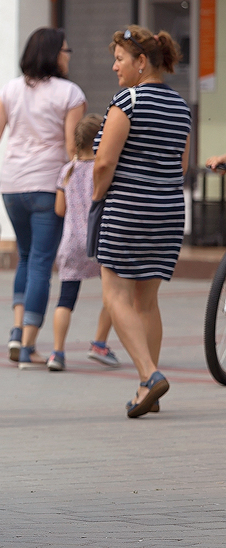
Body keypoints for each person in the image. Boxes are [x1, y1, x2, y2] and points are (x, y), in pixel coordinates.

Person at [92, 25, 190, 418]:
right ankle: (148, 388)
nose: (115, 67)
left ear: (142, 62)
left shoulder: (128, 101)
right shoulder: (180, 106)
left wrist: (97, 197)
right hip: (168, 212)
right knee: (147, 301)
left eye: (120, 59)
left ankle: (149, 375)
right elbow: (181, 166)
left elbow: (104, 162)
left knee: (114, 295)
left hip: (127, 210)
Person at [0, 27, 87, 368]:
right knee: (42, 262)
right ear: (54, 54)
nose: (68, 56)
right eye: (66, 51)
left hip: (12, 186)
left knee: (26, 257)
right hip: (47, 185)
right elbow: (72, 148)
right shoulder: (70, 93)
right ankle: (29, 345)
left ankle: (17, 332)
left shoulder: (10, 89)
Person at [49, 113, 118, 371]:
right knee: (114, 295)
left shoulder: (67, 170)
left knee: (65, 300)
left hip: (72, 243)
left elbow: (59, 209)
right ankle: (99, 343)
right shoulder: (103, 169)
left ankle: (57, 353)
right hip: (101, 241)